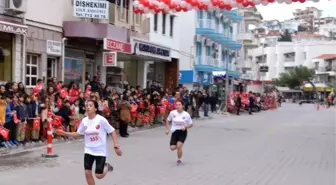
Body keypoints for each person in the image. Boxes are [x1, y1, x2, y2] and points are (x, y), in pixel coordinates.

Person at [56, 100, 122, 185]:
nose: (88, 107)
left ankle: (107, 167)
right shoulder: (84, 121)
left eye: (90, 106)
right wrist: (64, 133)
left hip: (100, 151)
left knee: (98, 175)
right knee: (87, 173)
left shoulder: (101, 120)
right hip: (89, 150)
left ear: (95, 108)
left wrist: (116, 146)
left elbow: (112, 131)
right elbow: (78, 133)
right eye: (87, 106)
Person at [165, 100, 193, 165]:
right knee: (172, 148)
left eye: (179, 105)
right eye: (176, 105)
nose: (177, 106)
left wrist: (185, 127)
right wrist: (167, 129)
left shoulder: (186, 114)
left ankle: (179, 159)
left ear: (182, 106)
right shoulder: (172, 113)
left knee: (179, 146)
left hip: (182, 132)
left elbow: (191, 124)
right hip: (174, 131)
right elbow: (168, 120)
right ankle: (179, 146)